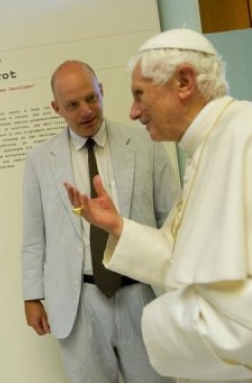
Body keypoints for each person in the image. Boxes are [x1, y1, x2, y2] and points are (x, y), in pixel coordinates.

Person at [64, 29, 252, 383]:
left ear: (183, 81)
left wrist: (147, 328)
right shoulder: (209, 146)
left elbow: (242, 318)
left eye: (140, 95)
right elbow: (179, 257)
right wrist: (119, 227)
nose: (133, 112)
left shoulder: (243, 138)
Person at [22, 60, 179, 383]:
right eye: (73, 104)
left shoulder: (145, 143)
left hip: (141, 292)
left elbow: (173, 219)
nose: (86, 111)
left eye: (91, 98)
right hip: (80, 299)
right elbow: (34, 235)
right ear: (56, 108)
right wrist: (31, 295)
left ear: (102, 91)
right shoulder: (40, 160)